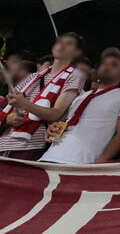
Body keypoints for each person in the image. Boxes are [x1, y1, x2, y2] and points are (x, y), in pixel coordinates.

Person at [40, 48, 120, 165]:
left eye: (114, 65)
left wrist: (101, 161)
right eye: (104, 64)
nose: (107, 67)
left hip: (82, 161)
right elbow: (68, 123)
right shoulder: (81, 96)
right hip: (50, 155)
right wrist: (52, 128)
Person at [0, 31, 87, 160]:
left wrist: (23, 103)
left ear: (77, 52)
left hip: (30, 145)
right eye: (59, 42)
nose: (61, 46)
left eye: (68, 44)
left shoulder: (75, 76)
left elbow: (55, 113)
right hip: (4, 141)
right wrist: (8, 119)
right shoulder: (33, 77)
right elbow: (8, 104)